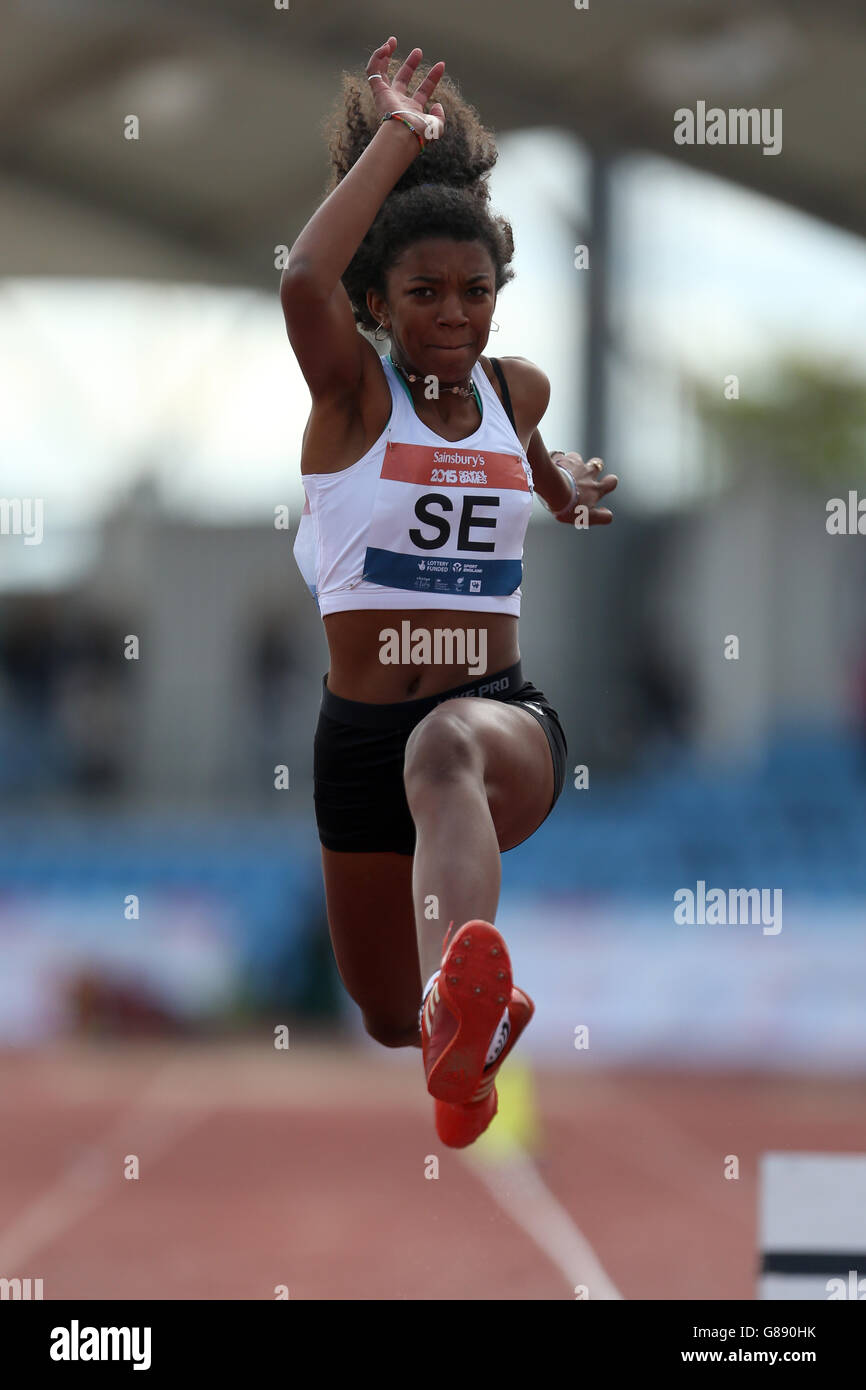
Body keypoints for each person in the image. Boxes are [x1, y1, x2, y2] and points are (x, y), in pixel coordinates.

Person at [280, 37, 617, 1147]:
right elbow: (299, 279)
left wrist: (557, 483)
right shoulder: (351, 398)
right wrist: (396, 139)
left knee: (446, 750)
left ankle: (454, 996)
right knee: (382, 1017)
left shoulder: (514, 392)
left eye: (475, 294)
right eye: (424, 295)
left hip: (495, 719)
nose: (454, 318)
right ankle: (461, 1060)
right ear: (376, 300)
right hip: (358, 741)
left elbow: (532, 466)